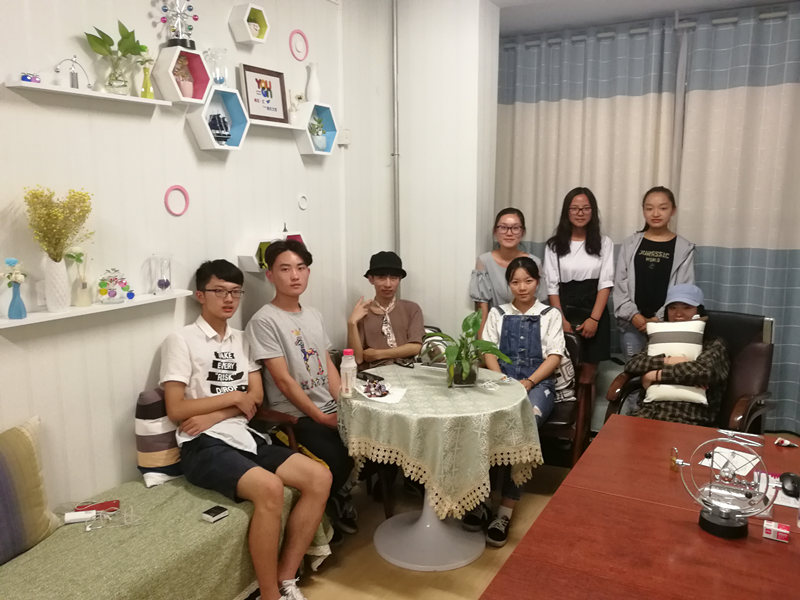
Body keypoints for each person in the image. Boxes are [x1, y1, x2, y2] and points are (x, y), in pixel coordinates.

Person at [160, 259, 330, 600]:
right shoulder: (181, 340)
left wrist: (219, 412)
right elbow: (176, 409)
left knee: (319, 477)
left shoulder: (242, 339)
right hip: (202, 444)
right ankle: (269, 595)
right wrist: (233, 399)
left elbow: (255, 397)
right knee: (270, 488)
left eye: (235, 292)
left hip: (244, 435)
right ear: (200, 295)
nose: (229, 299)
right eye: (219, 291)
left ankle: (286, 579)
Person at [245, 240, 357, 538]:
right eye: (285, 269)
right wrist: (321, 417)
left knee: (374, 438)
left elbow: (327, 363)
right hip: (295, 416)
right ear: (270, 275)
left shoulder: (313, 314)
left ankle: (339, 494)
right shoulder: (264, 321)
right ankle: (332, 507)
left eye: (301, 268)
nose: (295, 275)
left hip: (327, 406)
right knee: (336, 455)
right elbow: (283, 380)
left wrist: (344, 403)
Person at [466, 256, 566, 547]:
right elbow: (488, 352)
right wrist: (503, 380)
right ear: (508, 284)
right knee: (483, 423)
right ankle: (481, 500)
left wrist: (529, 382)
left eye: (528, 281)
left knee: (526, 424)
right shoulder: (498, 313)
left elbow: (554, 356)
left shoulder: (550, 314)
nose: (522, 287)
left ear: (537, 282)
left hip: (538, 384)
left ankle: (505, 511)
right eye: (515, 282)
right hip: (502, 381)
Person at [625, 284, 729, 426]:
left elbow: (704, 372)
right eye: (672, 308)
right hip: (648, 412)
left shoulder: (713, 344)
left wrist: (654, 375)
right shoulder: (659, 339)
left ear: (699, 311)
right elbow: (633, 364)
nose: (678, 314)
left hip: (688, 417)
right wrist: (669, 360)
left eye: (687, 307)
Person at [544, 187, 614, 390]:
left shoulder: (604, 243)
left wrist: (594, 320)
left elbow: (606, 283)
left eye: (585, 208)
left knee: (587, 377)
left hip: (594, 310)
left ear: (593, 211)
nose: (580, 213)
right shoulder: (554, 245)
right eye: (574, 208)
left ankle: (585, 413)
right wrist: (561, 320)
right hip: (564, 310)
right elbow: (552, 286)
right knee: (564, 372)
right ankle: (568, 412)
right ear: (567, 212)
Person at [614, 186, 695, 360]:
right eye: (649, 208)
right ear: (643, 210)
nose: (656, 213)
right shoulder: (630, 244)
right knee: (633, 371)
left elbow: (684, 290)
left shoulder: (684, 248)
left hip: (666, 325)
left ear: (673, 210)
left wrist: (657, 319)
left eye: (663, 208)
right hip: (632, 325)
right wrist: (634, 316)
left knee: (662, 372)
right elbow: (620, 285)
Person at [470, 208, 544, 336]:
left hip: (529, 329)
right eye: (503, 228)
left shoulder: (534, 262)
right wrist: (481, 342)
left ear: (523, 232)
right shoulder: (484, 261)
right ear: (495, 231)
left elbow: (539, 305)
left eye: (515, 228)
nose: (509, 233)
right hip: (495, 329)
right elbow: (482, 309)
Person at [347, 251, 424, 370]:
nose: (388, 284)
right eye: (381, 277)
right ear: (371, 279)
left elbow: (415, 347)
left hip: (407, 371)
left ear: (399, 279)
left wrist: (378, 354)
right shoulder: (362, 313)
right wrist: (352, 323)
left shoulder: (411, 308)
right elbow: (357, 359)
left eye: (394, 278)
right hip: (374, 375)